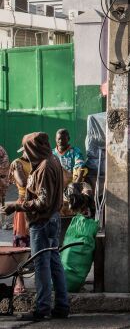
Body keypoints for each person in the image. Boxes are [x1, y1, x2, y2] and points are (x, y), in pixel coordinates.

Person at [3, 133, 68, 321]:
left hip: (43, 222)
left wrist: (15, 206)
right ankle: (62, 306)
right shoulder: (50, 160)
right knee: (54, 263)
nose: (26, 153)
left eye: (27, 149)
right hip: (51, 220)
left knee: (42, 265)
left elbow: (42, 202)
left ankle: (42, 308)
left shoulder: (45, 167)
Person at [9, 151, 32, 294]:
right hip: (23, 206)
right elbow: (23, 182)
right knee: (20, 245)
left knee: (35, 245)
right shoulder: (17, 163)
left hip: (35, 205)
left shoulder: (37, 162)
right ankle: (19, 280)